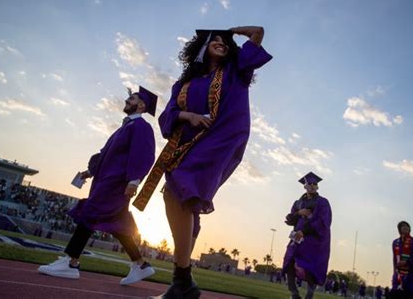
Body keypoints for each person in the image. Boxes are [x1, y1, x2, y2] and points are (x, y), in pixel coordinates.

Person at [133, 26, 272, 298]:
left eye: (224, 42)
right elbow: (168, 117)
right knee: (175, 199)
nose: (220, 44)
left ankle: (182, 281)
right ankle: (183, 282)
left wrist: (230, 31)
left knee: (180, 187)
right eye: (214, 41)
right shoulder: (182, 86)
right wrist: (189, 116)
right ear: (202, 48)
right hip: (188, 145)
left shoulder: (236, 70)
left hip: (220, 141)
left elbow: (258, 32)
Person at [38, 86, 157, 286]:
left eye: (133, 98)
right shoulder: (125, 127)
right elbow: (106, 154)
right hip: (105, 180)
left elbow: (144, 154)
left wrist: (134, 180)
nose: (128, 100)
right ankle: (140, 264)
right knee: (118, 223)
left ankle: (71, 262)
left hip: (116, 182)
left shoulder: (141, 127)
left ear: (142, 105)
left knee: (90, 213)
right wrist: (89, 171)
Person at [282, 172, 332, 299]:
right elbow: (291, 220)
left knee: (310, 266)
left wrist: (305, 230)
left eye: (315, 184)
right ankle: (294, 294)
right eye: (309, 184)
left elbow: (323, 222)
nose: (312, 186)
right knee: (289, 262)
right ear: (305, 186)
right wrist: (298, 213)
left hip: (313, 239)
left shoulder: (322, 202)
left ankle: (309, 294)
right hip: (297, 237)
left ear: (317, 187)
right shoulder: (298, 203)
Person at [390, 221, 413, 298]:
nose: (405, 227)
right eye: (402, 226)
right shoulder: (395, 243)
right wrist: (394, 273)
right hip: (399, 278)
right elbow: (395, 260)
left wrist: (408, 262)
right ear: (399, 229)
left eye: (407, 226)